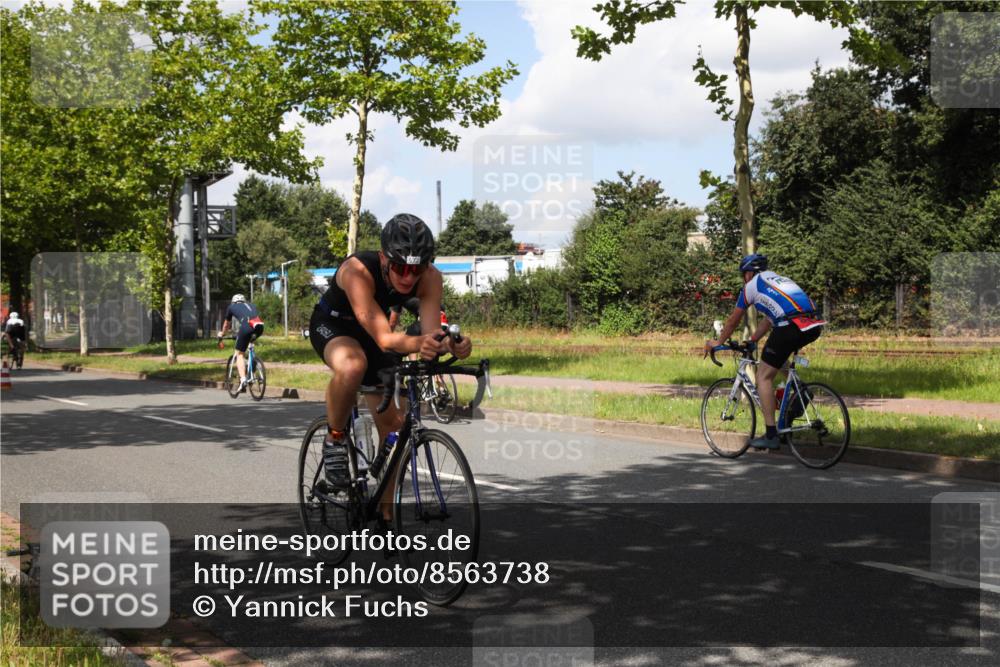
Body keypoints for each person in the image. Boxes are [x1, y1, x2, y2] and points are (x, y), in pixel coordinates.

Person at [309, 213, 472, 521]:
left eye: (417, 268)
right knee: (353, 364)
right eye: (400, 267)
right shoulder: (358, 270)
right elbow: (386, 338)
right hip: (333, 325)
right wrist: (420, 343)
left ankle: (386, 513)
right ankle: (334, 437)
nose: (408, 277)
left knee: (395, 426)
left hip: (375, 333)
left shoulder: (431, 278)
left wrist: (450, 345)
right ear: (384, 258)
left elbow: (429, 334)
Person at [705, 254, 825, 450]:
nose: (744, 279)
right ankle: (801, 391)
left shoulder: (750, 287)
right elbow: (769, 318)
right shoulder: (778, 280)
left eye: (744, 275)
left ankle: (771, 435)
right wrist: (752, 340)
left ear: (749, 273)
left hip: (790, 326)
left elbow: (732, 321)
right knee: (776, 360)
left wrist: (718, 342)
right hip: (813, 323)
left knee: (763, 376)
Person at [217, 294, 265, 393]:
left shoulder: (231, 307)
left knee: (239, 354)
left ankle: (243, 379)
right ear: (244, 301)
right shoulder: (251, 305)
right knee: (249, 342)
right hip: (259, 326)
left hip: (247, 326)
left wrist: (222, 333)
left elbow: (226, 324)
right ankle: (253, 367)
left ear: (233, 301)